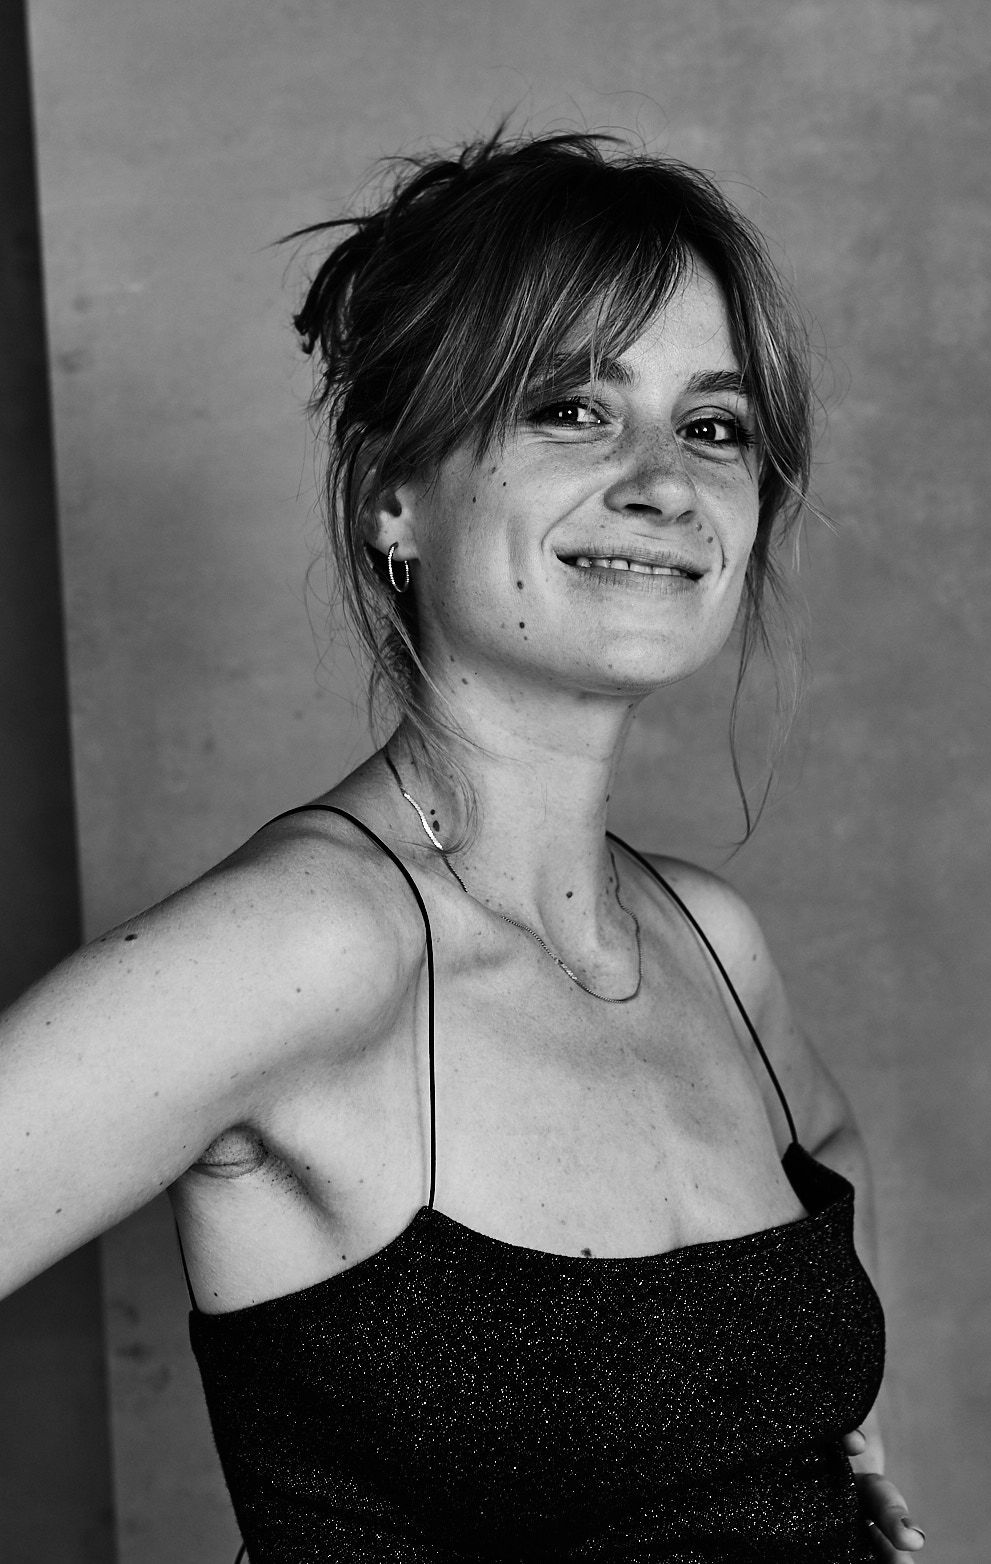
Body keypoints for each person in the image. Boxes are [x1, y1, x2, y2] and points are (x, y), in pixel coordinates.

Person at [0, 129, 925, 1562]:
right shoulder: (305, 949)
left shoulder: (708, 940)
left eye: (716, 427)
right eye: (571, 408)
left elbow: (833, 1160)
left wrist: (821, 1446)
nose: (665, 481)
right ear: (396, 495)